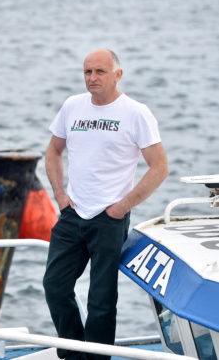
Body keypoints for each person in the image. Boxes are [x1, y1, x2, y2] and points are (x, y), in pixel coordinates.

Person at [43, 49, 168, 360]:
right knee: (55, 286)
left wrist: (123, 206)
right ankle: (73, 353)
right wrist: (60, 194)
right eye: (87, 72)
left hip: (108, 218)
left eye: (99, 72)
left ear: (118, 74)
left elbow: (160, 167)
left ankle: (97, 359)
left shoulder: (136, 113)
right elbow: (53, 151)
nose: (92, 78)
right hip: (72, 214)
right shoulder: (73, 106)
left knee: (101, 299)